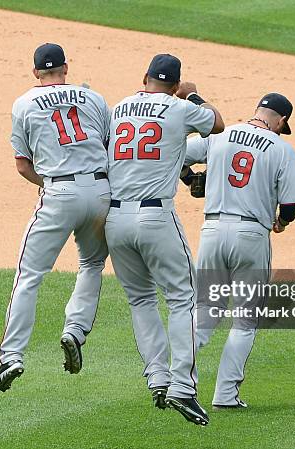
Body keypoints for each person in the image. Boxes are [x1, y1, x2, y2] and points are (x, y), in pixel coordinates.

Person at [105, 54, 224, 425]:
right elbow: (218, 125)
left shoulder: (119, 107)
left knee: (140, 299)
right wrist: (193, 96)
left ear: (144, 79)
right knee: (185, 298)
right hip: (155, 216)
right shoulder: (178, 107)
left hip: (114, 218)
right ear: (174, 85)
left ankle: (157, 377)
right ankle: (183, 388)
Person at [0, 43, 112, 393]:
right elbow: (107, 146)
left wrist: (55, 186)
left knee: (28, 276)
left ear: (35, 73)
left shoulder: (24, 102)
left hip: (59, 193)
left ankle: (12, 356)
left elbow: (22, 164)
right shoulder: (94, 98)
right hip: (100, 191)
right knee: (91, 265)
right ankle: (75, 330)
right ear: (66, 68)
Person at [183, 93, 295, 409]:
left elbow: (177, 153)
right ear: (281, 120)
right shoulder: (282, 149)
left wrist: (192, 180)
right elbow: (290, 205)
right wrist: (281, 222)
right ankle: (225, 395)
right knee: (245, 320)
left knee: (206, 310)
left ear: (257, 111)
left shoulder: (220, 135)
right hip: (251, 236)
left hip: (211, 232)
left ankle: (179, 382)